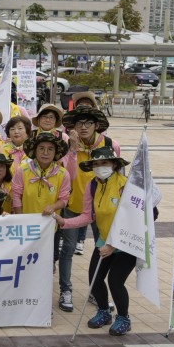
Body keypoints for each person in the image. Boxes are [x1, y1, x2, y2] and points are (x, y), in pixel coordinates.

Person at [54, 146, 138, 335]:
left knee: (116, 281)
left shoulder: (126, 186)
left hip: (126, 243)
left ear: (115, 165)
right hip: (104, 241)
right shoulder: (92, 185)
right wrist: (65, 222)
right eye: (97, 164)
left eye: (105, 163)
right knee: (95, 279)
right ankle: (103, 311)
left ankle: (124, 317)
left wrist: (113, 245)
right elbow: (87, 216)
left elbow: (133, 220)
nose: (100, 167)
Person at [12, 132, 71, 307]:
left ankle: (42, 301)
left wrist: (53, 207)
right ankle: (22, 297)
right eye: (42, 148)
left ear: (56, 153)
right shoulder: (22, 170)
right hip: (26, 229)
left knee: (46, 265)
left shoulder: (62, 173)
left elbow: (64, 199)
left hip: (49, 230)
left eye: (50, 149)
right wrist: (22, 219)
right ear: (34, 150)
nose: (45, 152)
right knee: (24, 263)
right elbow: (17, 195)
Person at [62, 106, 120, 259]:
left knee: (101, 244)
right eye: (79, 123)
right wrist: (73, 149)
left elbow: (118, 176)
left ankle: (99, 280)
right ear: (73, 127)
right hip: (74, 203)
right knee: (68, 249)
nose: (83, 127)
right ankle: (65, 284)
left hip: (103, 205)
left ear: (96, 125)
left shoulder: (110, 144)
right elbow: (69, 175)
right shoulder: (68, 144)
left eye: (88, 123)